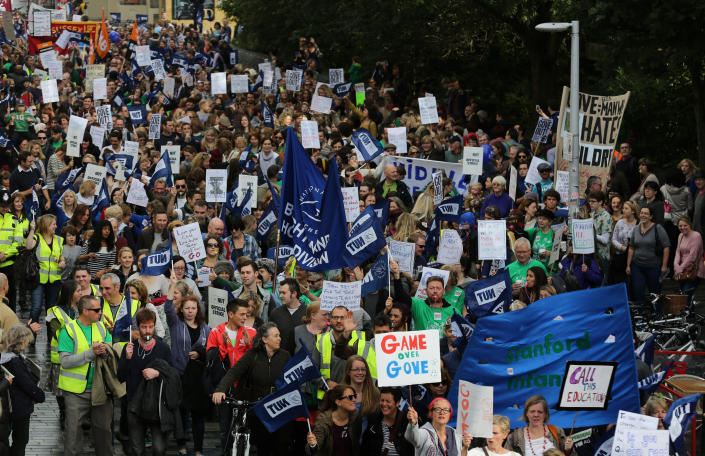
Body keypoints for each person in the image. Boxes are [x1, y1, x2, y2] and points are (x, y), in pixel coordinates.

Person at [213, 322, 291, 456]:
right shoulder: (252, 355)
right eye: (276, 336)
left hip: (278, 407)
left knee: (280, 446)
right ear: (265, 339)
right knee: (262, 446)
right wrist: (220, 389)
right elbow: (234, 372)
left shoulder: (285, 356)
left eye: (279, 335)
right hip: (257, 406)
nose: (280, 338)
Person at [57, 295, 114, 456]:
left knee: (104, 431)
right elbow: (66, 362)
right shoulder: (68, 330)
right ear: (85, 311)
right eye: (96, 310)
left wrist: (105, 352)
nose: (100, 312)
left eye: (100, 309)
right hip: (76, 392)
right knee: (73, 433)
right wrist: (91, 353)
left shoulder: (102, 328)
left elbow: (110, 352)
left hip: (100, 388)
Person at [117, 308, 178, 456]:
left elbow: (173, 374)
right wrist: (128, 359)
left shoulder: (162, 348)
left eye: (150, 327)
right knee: (137, 449)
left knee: (159, 448)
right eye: (144, 327)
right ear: (138, 327)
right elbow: (120, 377)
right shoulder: (130, 347)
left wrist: (157, 372)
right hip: (134, 404)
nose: (148, 331)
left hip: (156, 404)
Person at [164, 272, 211, 456]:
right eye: (187, 308)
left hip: (198, 378)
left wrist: (200, 353)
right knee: (182, 413)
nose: (190, 311)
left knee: (198, 415)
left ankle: (198, 449)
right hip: (180, 375)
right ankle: (182, 444)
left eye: (193, 308)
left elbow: (211, 350)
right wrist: (171, 287)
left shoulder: (206, 328)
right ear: (182, 310)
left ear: (197, 310)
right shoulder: (176, 324)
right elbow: (168, 308)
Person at [205, 298, 256, 449]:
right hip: (225, 387)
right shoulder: (216, 332)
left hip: (245, 387)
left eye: (246, 314)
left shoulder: (252, 332)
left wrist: (249, 345)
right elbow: (211, 362)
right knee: (225, 430)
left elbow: (256, 360)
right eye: (241, 314)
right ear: (230, 314)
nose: (245, 318)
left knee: (246, 429)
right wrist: (223, 347)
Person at [0, 324, 45, 455]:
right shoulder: (15, 362)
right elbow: (27, 384)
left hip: (10, 406)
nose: (28, 342)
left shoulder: (6, 357)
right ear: (22, 341)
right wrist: (40, 396)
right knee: (21, 440)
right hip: (19, 407)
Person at [45, 279, 80, 430]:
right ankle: (63, 412)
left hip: (79, 355)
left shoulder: (83, 308)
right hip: (60, 357)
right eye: (78, 291)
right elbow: (56, 333)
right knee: (60, 390)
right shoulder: (53, 312)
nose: (81, 293)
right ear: (71, 294)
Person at [25, 214, 66, 323]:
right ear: (46, 225)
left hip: (54, 280)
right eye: (53, 224)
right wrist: (32, 230)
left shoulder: (59, 240)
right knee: (36, 308)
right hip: (38, 279)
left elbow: (61, 257)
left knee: (51, 309)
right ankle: (30, 336)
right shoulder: (36, 237)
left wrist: (62, 262)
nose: (56, 226)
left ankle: (51, 338)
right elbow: (28, 246)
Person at [627, 206, 670, 307]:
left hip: (653, 266)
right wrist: (628, 265)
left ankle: (657, 315)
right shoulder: (636, 228)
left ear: (651, 216)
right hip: (637, 266)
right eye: (641, 213)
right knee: (638, 291)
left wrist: (664, 265)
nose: (643, 215)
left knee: (654, 293)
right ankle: (640, 316)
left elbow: (666, 247)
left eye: (646, 213)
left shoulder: (658, 228)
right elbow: (631, 247)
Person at [504, 395, 573, 454]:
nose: (536, 415)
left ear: (545, 414)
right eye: (532, 411)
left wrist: (568, 451)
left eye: (540, 412)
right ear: (526, 413)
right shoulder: (514, 437)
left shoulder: (557, 432)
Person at [306, 384, 363, 456]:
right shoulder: (323, 421)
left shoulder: (355, 417)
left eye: (355, 396)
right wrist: (313, 445)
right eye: (350, 397)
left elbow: (356, 443)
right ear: (338, 402)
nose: (354, 400)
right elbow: (313, 448)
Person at [405, 398, 473, 456]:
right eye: (438, 409)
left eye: (446, 410)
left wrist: (465, 447)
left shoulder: (456, 434)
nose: (442, 412)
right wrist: (413, 424)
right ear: (431, 413)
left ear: (450, 414)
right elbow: (411, 437)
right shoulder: (425, 432)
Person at [361, 386, 414, 456]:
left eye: (388, 401)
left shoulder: (407, 421)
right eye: (382, 400)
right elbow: (365, 449)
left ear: (397, 403)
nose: (384, 404)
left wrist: (413, 425)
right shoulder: (373, 421)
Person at [269, 278, 307, 355]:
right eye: (280, 293)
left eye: (283, 293)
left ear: (294, 294)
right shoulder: (275, 313)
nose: (280, 296)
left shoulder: (307, 312)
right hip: (279, 358)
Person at [99, 273, 140, 341]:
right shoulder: (96, 303)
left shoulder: (133, 305)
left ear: (117, 287)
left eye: (107, 288)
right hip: (103, 350)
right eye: (101, 288)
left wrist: (119, 331)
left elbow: (140, 335)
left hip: (126, 350)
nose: (103, 292)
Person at [673, 216, 705, 296]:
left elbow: (692, 256)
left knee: (686, 294)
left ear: (689, 225)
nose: (682, 228)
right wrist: (676, 265)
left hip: (693, 270)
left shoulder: (696, 236)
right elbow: (678, 252)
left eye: (685, 225)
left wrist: (680, 268)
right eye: (680, 226)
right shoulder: (680, 235)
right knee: (683, 295)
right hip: (683, 271)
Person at [609, 200, 639, 285]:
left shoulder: (638, 224)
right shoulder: (620, 222)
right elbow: (613, 239)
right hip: (619, 257)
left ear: (632, 211)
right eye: (623, 208)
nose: (623, 210)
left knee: (632, 283)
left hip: (633, 258)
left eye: (626, 208)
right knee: (619, 282)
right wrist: (622, 247)